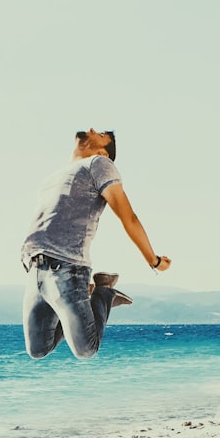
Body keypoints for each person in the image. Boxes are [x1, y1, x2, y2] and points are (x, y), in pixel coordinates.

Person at [20, 128, 171, 359]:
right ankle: (87, 302)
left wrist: (154, 260)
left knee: (86, 349)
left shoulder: (99, 164)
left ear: (104, 151)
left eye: (100, 134)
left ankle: (104, 292)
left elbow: (128, 217)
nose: (91, 129)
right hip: (35, 271)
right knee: (38, 350)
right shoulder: (52, 178)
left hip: (67, 268)